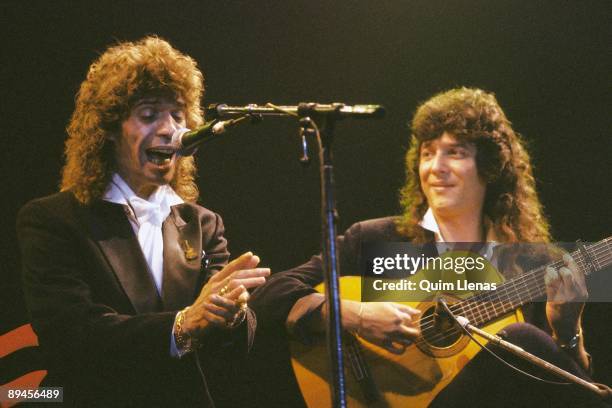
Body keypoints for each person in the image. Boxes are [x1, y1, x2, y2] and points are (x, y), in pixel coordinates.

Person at [250, 87, 601, 407]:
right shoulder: (376, 241)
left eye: (455, 153)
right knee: (522, 336)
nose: (436, 167)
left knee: (519, 339)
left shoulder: (534, 264)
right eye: (428, 153)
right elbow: (269, 296)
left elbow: (557, 390)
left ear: (490, 166)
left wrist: (568, 332)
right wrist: (357, 316)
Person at [17, 36, 270, 407]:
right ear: (109, 129)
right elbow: (72, 336)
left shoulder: (203, 224)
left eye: (178, 115)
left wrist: (231, 314)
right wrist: (183, 324)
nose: (170, 129)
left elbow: (230, 354)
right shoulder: (52, 220)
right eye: (149, 114)